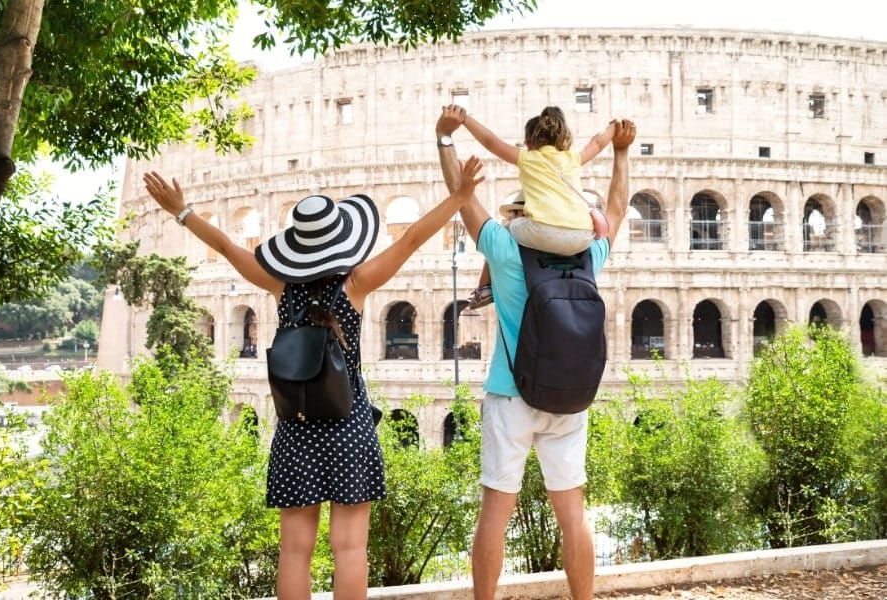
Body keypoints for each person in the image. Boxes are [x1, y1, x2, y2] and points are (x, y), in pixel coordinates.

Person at [142, 155, 485, 600]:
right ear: (342, 242)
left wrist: (182, 212)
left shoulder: (281, 288)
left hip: (298, 424)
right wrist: (459, 197)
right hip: (349, 423)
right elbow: (415, 237)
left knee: (294, 551)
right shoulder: (357, 284)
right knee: (350, 548)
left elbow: (228, 248)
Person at [435, 104, 635, 600]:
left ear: (523, 212)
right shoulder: (589, 254)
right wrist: (622, 152)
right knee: (573, 517)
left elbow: (462, 201)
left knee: (495, 517)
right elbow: (616, 209)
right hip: (570, 397)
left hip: (510, 395)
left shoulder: (504, 249)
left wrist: (445, 140)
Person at [460, 106, 617, 309]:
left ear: (528, 142)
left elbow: (491, 142)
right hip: (582, 238)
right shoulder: (573, 158)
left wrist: (465, 119)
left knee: (504, 229)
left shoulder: (528, 158)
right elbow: (597, 142)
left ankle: (485, 287)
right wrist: (614, 128)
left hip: (543, 232)